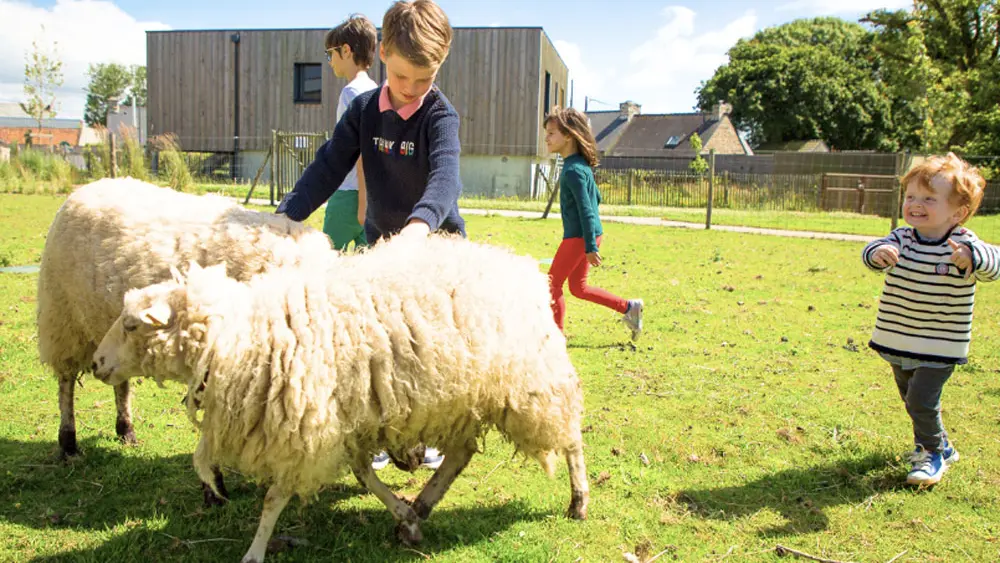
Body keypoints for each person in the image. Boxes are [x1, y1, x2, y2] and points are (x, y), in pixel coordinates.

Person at [277, 0, 465, 471]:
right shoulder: (363, 111)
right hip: (382, 249)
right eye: (403, 77)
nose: (412, 90)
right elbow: (326, 168)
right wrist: (284, 218)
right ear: (382, 52)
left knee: (429, 351)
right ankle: (383, 432)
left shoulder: (440, 116)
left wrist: (420, 229)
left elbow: (446, 177)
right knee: (382, 346)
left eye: (426, 79)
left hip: (434, 251)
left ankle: (430, 434)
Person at [862, 152, 999, 486]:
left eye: (928, 198)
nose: (915, 204)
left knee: (922, 399)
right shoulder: (902, 238)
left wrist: (972, 258)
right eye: (910, 197)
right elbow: (872, 251)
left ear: (959, 211)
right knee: (911, 398)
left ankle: (930, 454)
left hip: (940, 343)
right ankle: (942, 445)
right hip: (899, 338)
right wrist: (877, 255)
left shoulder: (964, 243)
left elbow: (994, 264)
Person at [542, 106, 642, 340]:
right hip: (588, 235)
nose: (546, 138)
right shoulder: (579, 166)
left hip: (580, 237)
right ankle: (629, 308)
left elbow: (587, 209)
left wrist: (589, 246)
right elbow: (597, 198)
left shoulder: (573, 171)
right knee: (578, 288)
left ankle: (556, 337)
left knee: (551, 285)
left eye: (551, 133)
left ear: (568, 135)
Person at [322, 14, 379, 251]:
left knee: (325, 265)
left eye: (330, 54)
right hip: (375, 198)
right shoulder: (377, 91)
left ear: (346, 51)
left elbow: (361, 152)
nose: (329, 61)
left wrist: (362, 205)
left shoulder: (351, 93)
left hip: (349, 197)